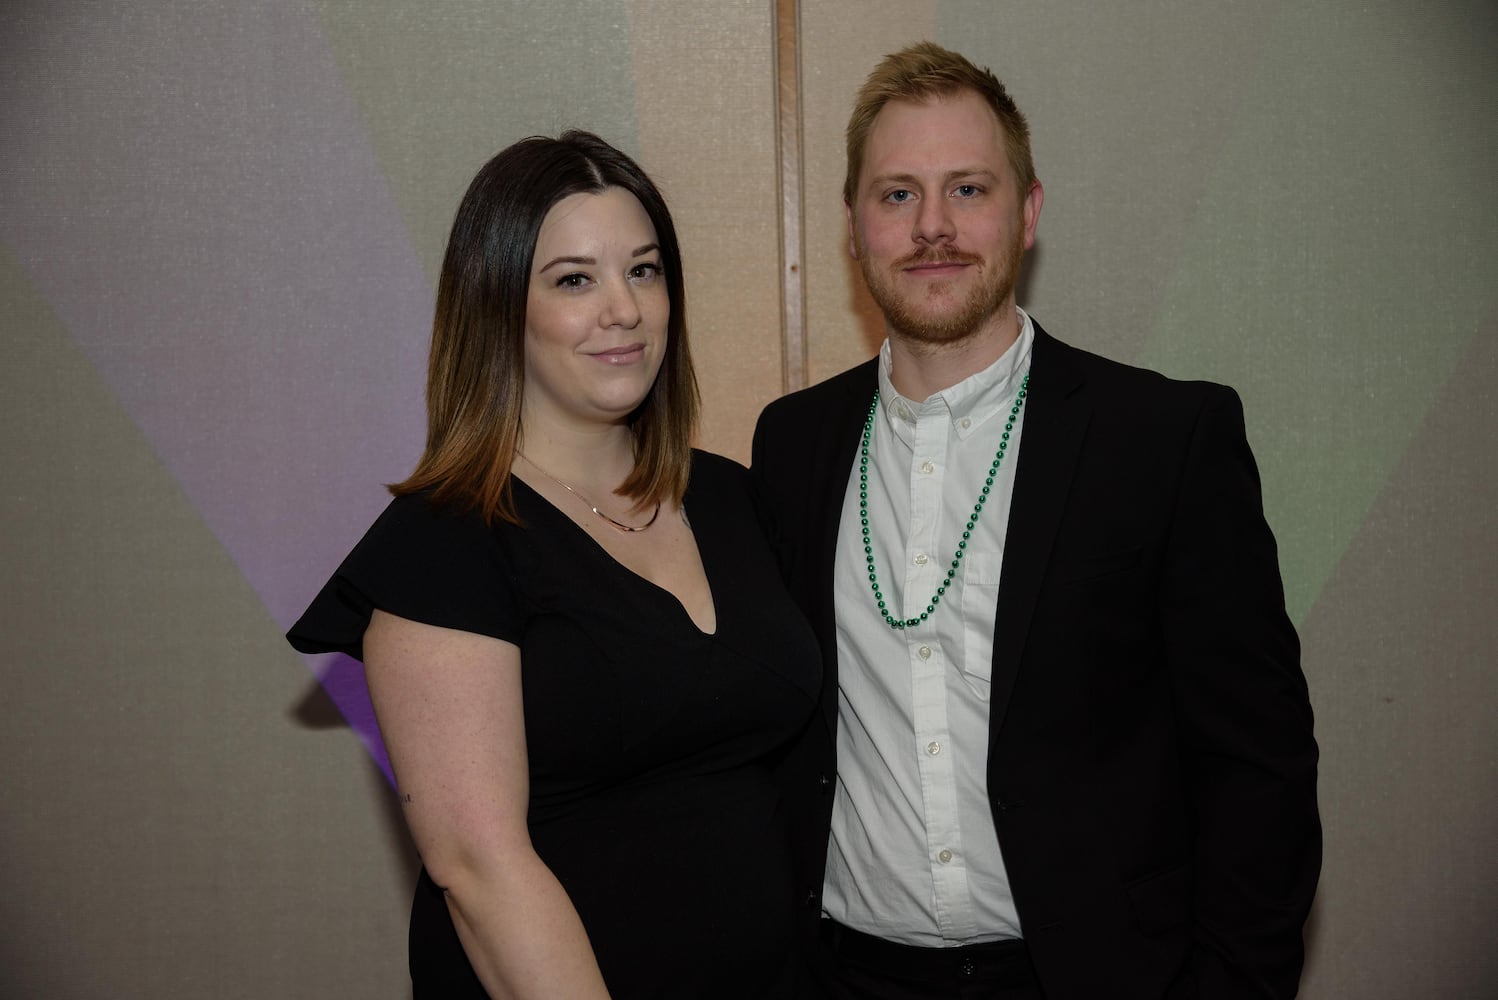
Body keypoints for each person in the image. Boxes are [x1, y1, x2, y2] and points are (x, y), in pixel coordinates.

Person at [752, 43, 1321, 999]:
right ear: (852, 227)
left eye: (968, 189)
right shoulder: (792, 445)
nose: (933, 227)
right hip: (845, 976)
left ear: (1029, 212)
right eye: (896, 195)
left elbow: (1257, 764)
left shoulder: (1165, 439)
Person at [288, 131, 820, 998]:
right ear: (499, 306)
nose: (624, 309)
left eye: (643, 271)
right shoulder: (446, 539)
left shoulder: (731, 500)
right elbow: (478, 867)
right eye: (575, 279)